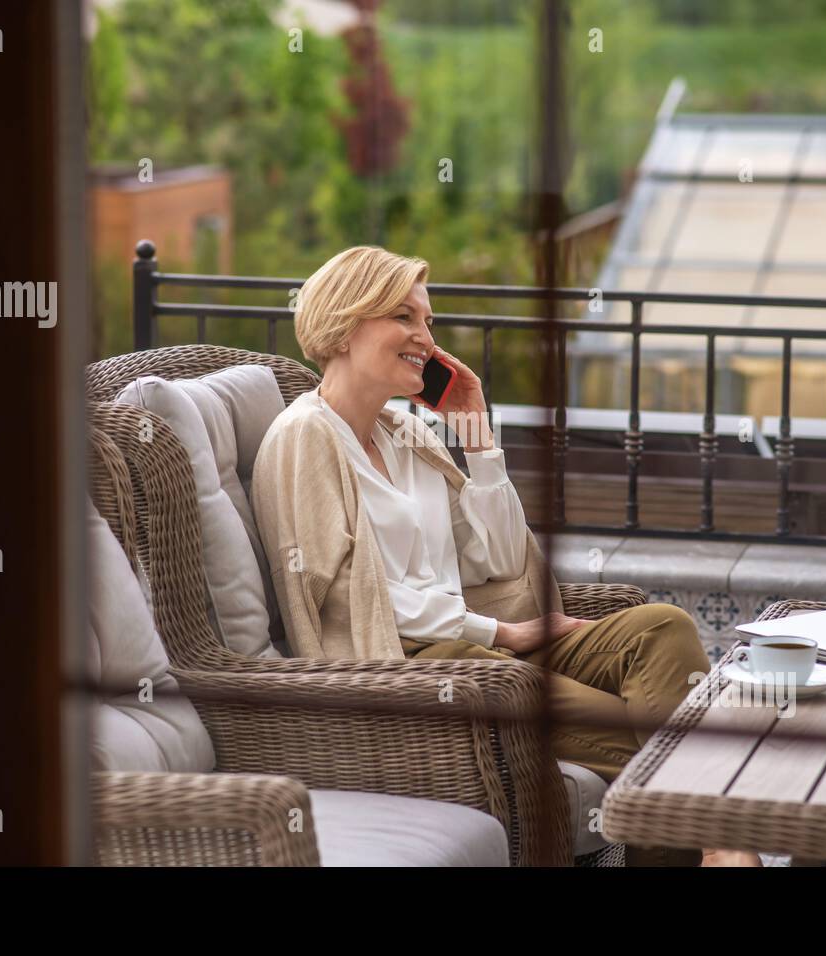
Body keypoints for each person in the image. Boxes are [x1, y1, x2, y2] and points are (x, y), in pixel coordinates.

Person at [251, 245, 762, 867]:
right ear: (346, 323)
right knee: (641, 726)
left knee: (662, 628)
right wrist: (505, 633)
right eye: (405, 318)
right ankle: (725, 842)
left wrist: (475, 431)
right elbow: (336, 602)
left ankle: (714, 841)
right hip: (414, 669)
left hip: (482, 641)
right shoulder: (305, 435)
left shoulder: (407, 434)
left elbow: (497, 558)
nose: (427, 338)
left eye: (429, 321)